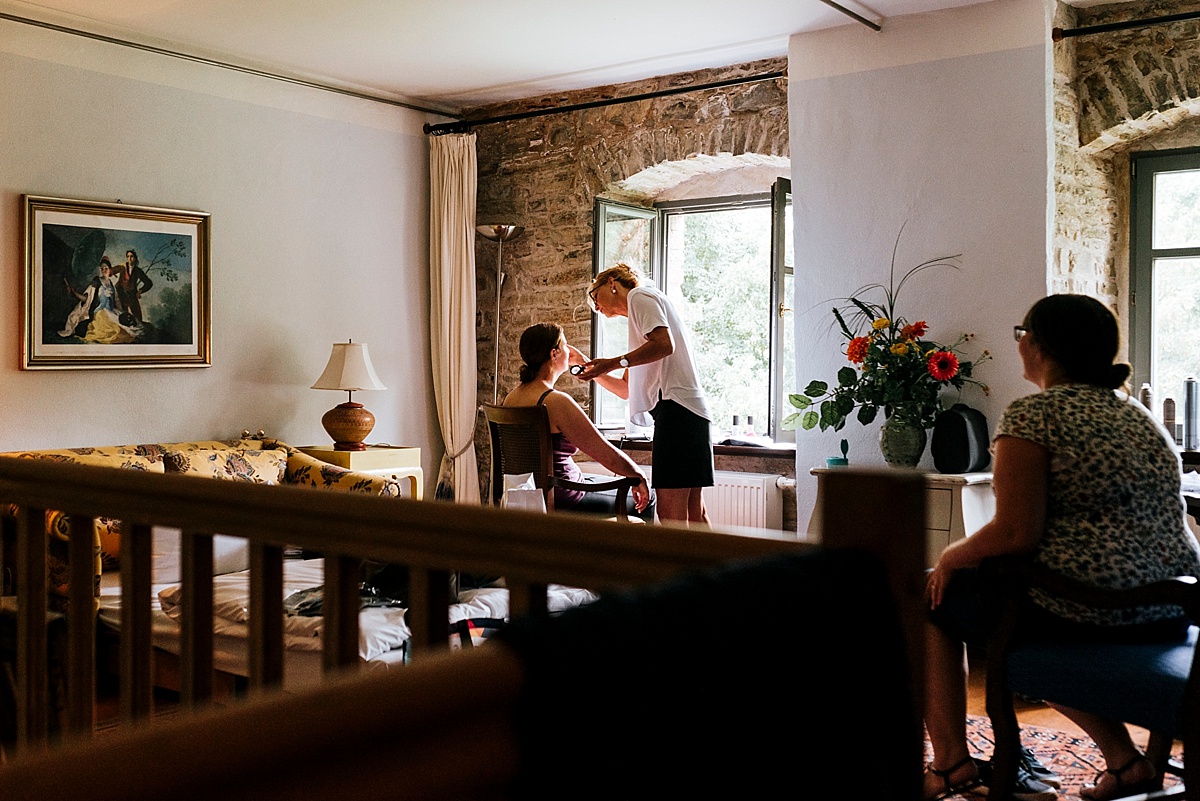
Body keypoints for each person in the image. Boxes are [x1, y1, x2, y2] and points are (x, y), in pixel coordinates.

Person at [922, 294, 1200, 801]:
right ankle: (1124, 762)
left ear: (1037, 345)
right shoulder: (1140, 417)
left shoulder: (1035, 416)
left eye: (1020, 334)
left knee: (932, 599)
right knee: (1006, 604)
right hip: (1170, 608)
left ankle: (950, 764)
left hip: (1092, 609)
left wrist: (947, 557)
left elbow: (1014, 534)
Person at [574, 264, 714, 526]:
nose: (596, 308)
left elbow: (664, 345)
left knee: (671, 517)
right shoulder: (644, 320)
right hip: (691, 413)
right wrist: (595, 370)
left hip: (677, 411)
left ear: (612, 283)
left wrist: (614, 362)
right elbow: (627, 390)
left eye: (595, 297)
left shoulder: (639, 296)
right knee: (695, 515)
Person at [503, 323, 652, 519]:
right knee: (650, 498)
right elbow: (604, 452)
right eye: (565, 345)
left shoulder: (511, 398)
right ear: (554, 353)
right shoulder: (555, 402)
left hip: (529, 492)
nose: (570, 349)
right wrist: (638, 475)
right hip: (564, 496)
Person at [78, 258, 142, 344]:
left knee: (127, 327)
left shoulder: (112, 284)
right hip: (100, 312)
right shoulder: (96, 281)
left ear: (110, 270)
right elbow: (88, 298)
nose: (104, 270)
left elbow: (116, 300)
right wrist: (75, 294)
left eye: (106, 268)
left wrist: (121, 312)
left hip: (111, 310)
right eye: (102, 268)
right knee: (113, 329)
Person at [114, 249, 153, 324]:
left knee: (138, 317)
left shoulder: (138, 271)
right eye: (128, 256)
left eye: (131, 256)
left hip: (132, 295)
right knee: (122, 316)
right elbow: (112, 271)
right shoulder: (123, 266)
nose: (129, 258)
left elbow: (148, 283)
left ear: (135, 258)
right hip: (121, 294)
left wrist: (140, 291)